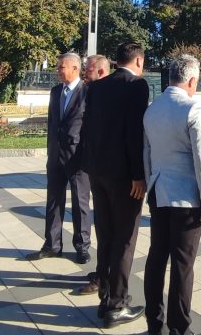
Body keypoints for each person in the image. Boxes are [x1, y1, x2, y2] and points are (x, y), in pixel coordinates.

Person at [142, 54, 201, 335]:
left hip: (158, 193)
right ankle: (179, 328)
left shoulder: (152, 109)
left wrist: (150, 185)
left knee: (156, 258)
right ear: (192, 79)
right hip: (186, 198)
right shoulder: (193, 107)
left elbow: (146, 153)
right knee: (183, 265)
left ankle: (153, 323)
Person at [79, 42, 149, 328]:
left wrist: (90, 166)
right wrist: (138, 174)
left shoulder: (95, 87)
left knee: (106, 235)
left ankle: (105, 297)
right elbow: (134, 132)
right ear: (139, 61)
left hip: (98, 173)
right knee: (124, 239)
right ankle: (116, 305)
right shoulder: (137, 86)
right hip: (124, 177)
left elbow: (87, 129)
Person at [27, 53, 92, 264]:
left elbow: (91, 127)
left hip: (77, 157)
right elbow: (52, 122)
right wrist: (50, 150)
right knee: (54, 201)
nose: (57, 71)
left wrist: (86, 155)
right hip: (55, 156)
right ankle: (52, 245)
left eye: (61, 67)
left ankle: (82, 246)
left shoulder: (87, 92)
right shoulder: (56, 91)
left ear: (75, 68)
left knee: (80, 202)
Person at [74, 53, 111, 296]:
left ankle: (105, 279)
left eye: (87, 69)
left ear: (99, 71)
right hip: (94, 167)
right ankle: (102, 271)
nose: (84, 73)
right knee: (103, 228)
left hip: (108, 171)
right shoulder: (91, 91)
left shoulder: (106, 95)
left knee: (109, 230)